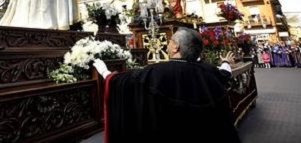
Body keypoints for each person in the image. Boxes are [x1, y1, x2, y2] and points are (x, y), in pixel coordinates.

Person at [93, 27, 240, 143]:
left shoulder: (156, 73)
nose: (168, 44)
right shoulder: (209, 70)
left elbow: (123, 83)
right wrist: (226, 62)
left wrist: (105, 72)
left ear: (176, 48)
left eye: (170, 41)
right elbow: (224, 74)